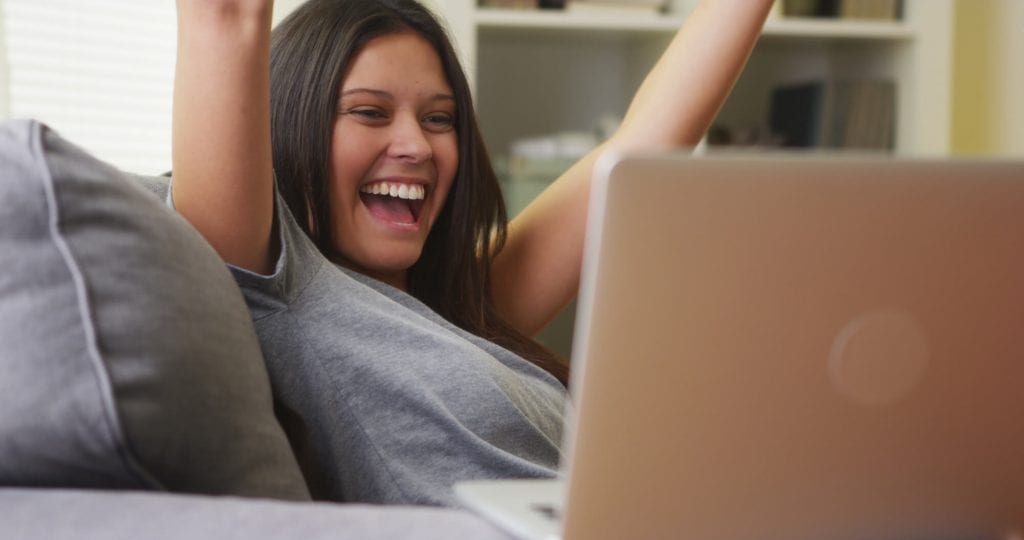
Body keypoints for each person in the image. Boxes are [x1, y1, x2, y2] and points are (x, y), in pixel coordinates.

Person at [172, 0, 772, 506]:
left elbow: (646, 143)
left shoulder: (465, 304)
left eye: (440, 118)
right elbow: (224, 17)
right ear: (284, 125)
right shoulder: (276, 283)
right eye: (368, 112)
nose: (416, 145)